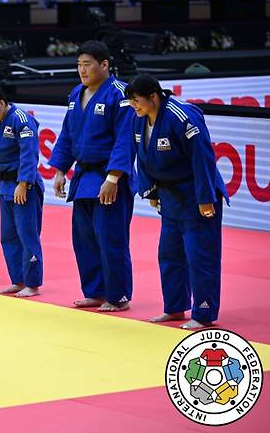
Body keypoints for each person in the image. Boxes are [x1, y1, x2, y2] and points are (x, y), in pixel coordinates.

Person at [126, 73, 229, 329]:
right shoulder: (138, 119)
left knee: (199, 256)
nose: (134, 106)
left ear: (153, 96)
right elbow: (143, 156)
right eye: (131, 102)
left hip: (196, 196)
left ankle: (203, 312)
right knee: (169, 254)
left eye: (137, 100)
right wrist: (150, 191)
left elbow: (203, 159)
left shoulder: (182, 116)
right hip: (170, 198)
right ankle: (174, 307)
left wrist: (206, 199)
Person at [48, 40, 136, 312]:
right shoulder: (77, 94)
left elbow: (125, 140)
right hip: (84, 177)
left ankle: (118, 295)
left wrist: (113, 178)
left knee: (111, 238)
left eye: (87, 64)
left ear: (105, 65)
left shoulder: (120, 94)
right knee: (84, 239)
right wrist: (61, 170)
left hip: (109, 177)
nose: (82, 70)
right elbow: (67, 134)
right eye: (79, 65)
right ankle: (95, 291)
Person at [0, 84, 44, 297]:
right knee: (8, 236)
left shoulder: (22, 120)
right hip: (6, 186)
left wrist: (24, 183)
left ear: (2, 103)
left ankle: (32, 284)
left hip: (25, 186)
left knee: (27, 235)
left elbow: (29, 154)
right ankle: (18, 280)